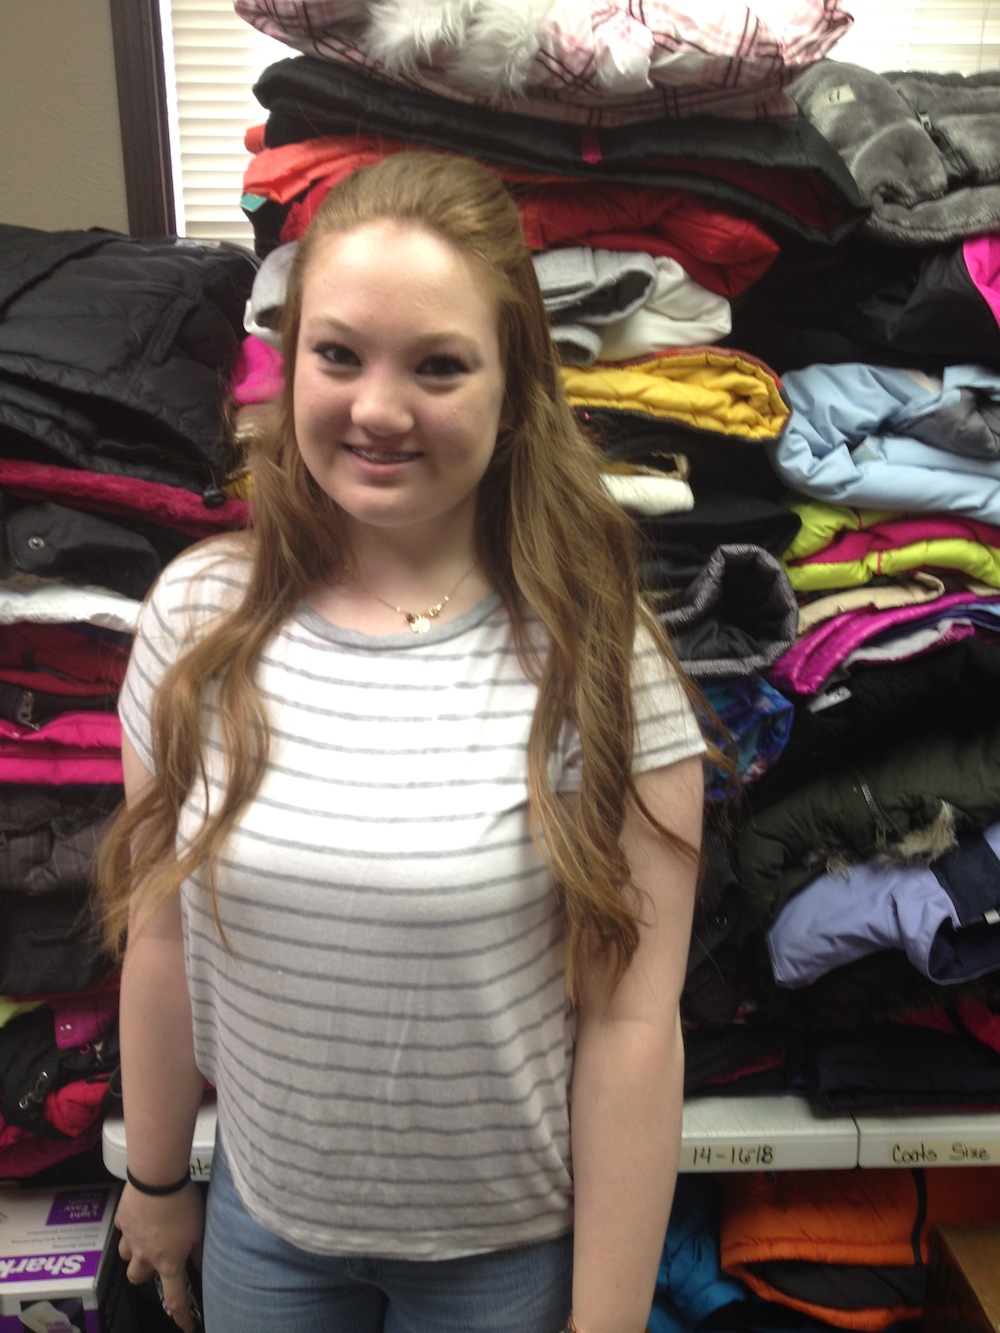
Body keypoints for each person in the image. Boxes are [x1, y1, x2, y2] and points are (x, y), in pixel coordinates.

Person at [98, 150, 708, 1333]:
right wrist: (156, 1179)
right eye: (339, 355)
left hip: (504, 1262)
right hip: (266, 1237)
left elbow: (634, 1022)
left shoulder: (595, 652)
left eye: (436, 365)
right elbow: (160, 938)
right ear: (289, 368)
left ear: (512, 384)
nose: (377, 408)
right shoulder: (196, 621)